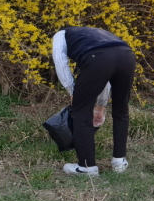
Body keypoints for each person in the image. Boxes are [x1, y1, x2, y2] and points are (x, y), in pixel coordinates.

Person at [52, 26, 136, 175]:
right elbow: (107, 68)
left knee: (80, 111)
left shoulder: (60, 35)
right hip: (126, 55)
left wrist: (72, 91)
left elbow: (60, 61)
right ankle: (119, 161)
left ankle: (86, 167)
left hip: (98, 57)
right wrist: (100, 107)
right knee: (121, 109)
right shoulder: (98, 33)